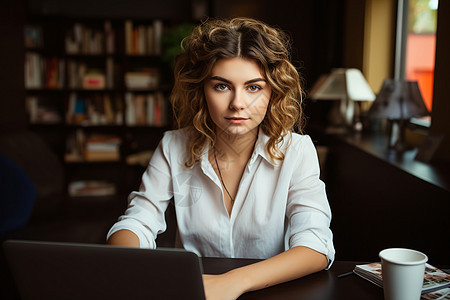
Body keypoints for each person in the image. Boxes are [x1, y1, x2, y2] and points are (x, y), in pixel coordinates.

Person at [107, 17, 335, 299]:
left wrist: (232, 282)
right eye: (222, 86)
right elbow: (137, 222)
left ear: (273, 92)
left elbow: (315, 246)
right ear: (202, 90)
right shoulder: (173, 146)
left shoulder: (297, 150)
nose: (238, 103)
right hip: (194, 292)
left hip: (272, 293)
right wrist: (127, 262)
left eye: (254, 87)